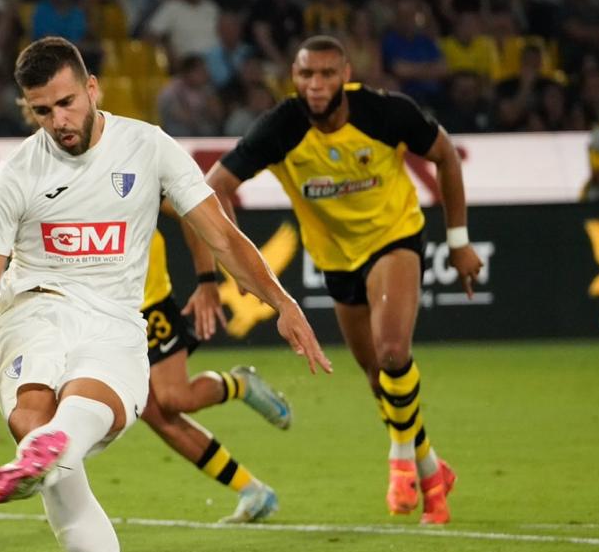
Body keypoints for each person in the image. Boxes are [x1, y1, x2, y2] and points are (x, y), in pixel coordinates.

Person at [0, 37, 330, 552]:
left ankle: (53, 455)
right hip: (34, 311)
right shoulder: (16, 173)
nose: (59, 121)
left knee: (61, 439)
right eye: (42, 111)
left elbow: (223, 237)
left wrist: (281, 303)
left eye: (67, 103)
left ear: (92, 87)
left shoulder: (147, 146)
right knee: (39, 433)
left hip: (115, 318)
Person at [206, 35, 483, 525]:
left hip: (394, 237)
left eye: (327, 74)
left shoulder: (384, 113)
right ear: (294, 76)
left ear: (346, 75)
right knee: (380, 378)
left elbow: (446, 156)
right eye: (307, 74)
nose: (316, 85)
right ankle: (432, 471)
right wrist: (233, 261)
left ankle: (400, 458)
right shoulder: (281, 127)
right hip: (336, 261)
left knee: (394, 353)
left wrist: (458, 240)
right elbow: (215, 188)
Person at [139, 221, 288, 524]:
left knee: (175, 399)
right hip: (101, 309)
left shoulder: (138, 172)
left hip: (148, 303)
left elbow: (190, 209)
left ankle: (240, 384)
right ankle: (251, 490)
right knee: (154, 412)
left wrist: (207, 280)